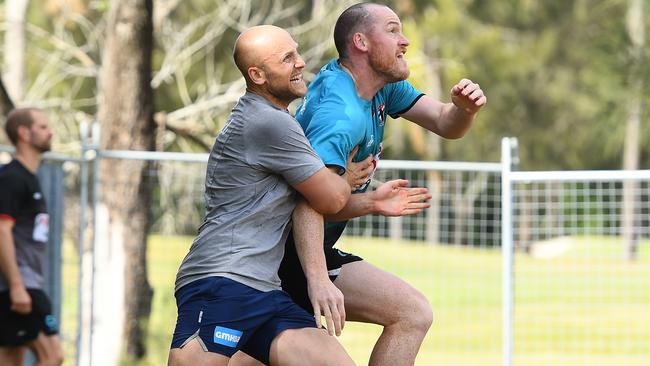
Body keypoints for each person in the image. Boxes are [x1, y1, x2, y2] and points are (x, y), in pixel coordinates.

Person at [231, 3, 487, 366]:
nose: (406, 41)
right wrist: (318, 279)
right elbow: (308, 202)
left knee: (411, 313)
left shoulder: (380, 88)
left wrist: (465, 110)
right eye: (394, 30)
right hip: (285, 255)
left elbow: (446, 123)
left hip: (306, 250)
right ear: (361, 42)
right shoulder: (342, 114)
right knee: (410, 313)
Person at [167, 25, 357, 366]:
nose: (300, 63)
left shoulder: (276, 119)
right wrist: (349, 175)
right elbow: (330, 199)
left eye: (296, 52)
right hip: (223, 281)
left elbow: (318, 200)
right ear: (257, 74)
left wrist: (369, 199)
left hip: (265, 290)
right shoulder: (268, 123)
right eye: (287, 58)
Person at [0, 108, 64, 366]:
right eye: (43, 126)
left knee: (11, 358)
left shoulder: (30, 177)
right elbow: (2, 230)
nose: (51, 132)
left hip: (25, 284)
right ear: (24, 133)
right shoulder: (12, 178)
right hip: (19, 286)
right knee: (52, 355)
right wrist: (16, 286)